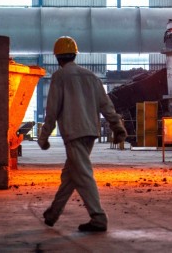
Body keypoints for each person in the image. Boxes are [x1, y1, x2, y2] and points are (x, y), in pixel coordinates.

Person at [37, 36, 127, 232]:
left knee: (83, 175)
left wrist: (43, 137)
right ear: (75, 54)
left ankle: (98, 217)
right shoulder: (90, 76)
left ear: (58, 58)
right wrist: (117, 127)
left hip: (73, 132)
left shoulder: (59, 77)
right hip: (90, 133)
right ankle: (53, 213)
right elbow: (106, 105)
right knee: (70, 175)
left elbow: (52, 111)